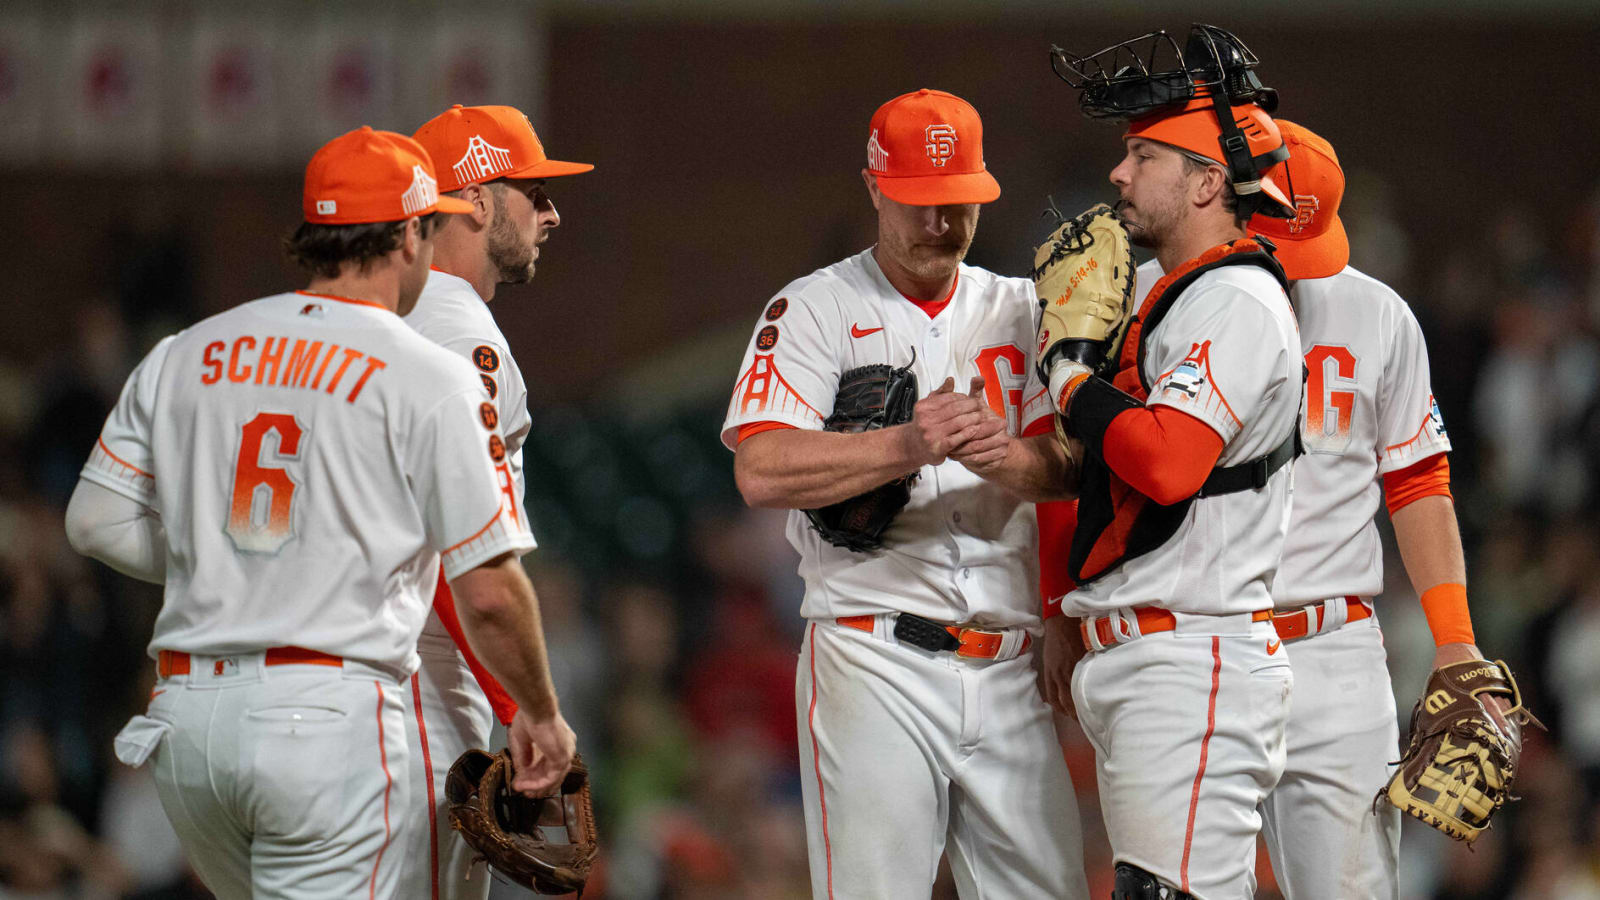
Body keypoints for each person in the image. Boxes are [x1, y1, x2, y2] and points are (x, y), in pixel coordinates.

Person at [62, 126, 575, 899]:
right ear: (411, 234)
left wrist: (236, 559)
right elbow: (489, 588)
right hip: (323, 722)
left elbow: (94, 521)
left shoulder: (189, 349)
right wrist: (536, 710)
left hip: (186, 726)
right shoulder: (426, 370)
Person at [724, 88, 1088, 900]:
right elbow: (760, 468)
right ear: (875, 187)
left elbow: (1074, 467)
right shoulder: (814, 307)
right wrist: (905, 445)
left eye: (957, 203)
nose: (940, 225)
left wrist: (1012, 463)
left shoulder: (1025, 309)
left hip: (1011, 663)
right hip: (873, 652)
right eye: (920, 203)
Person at [1131, 120, 1500, 899]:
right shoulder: (1151, 300)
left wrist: (1455, 639)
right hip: (1199, 636)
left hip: (1333, 647)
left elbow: (1417, 481)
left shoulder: (1377, 313)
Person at [1035, 80, 1304, 897]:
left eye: (1144, 156)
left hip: (1193, 656)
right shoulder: (1180, 296)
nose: (1119, 174)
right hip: (1159, 657)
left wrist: (1070, 375)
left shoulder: (1236, 299)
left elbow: (1166, 462)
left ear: (1206, 183)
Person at [401, 103, 592, 900]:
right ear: (476, 200)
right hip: (414, 671)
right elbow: (461, 553)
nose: (552, 213)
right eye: (533, 192)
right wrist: (524, 705)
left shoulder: (373, 321)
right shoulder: (462, 340)